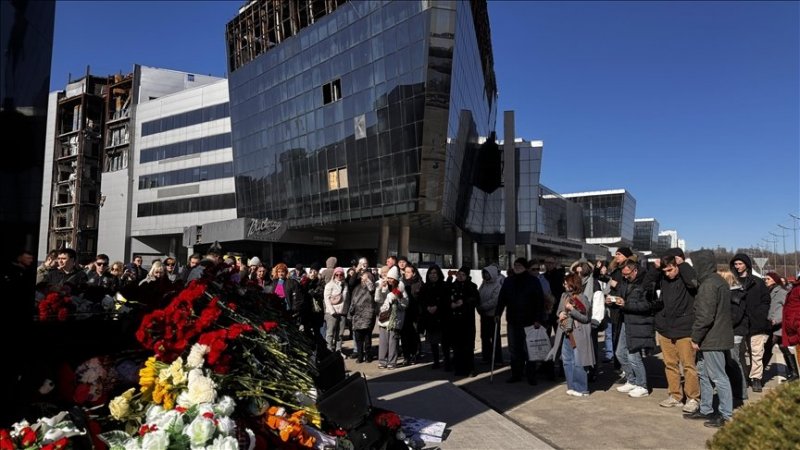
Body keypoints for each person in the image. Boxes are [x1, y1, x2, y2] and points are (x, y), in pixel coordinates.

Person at [685, 250, 734, 428]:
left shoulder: (709, 285)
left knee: (718, 377)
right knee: (704, 375)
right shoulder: (716, 281)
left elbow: (705, 316)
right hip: (711, 337)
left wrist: (695, 338)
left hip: (712, 338)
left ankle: (725, 414)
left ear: (701, 264)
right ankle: (706, 409)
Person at [652, 249, 700, 413]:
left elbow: (694, 283)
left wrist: (683, 265)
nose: (667, 274)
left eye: (670, 269)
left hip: (685, 329)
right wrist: (655, 268)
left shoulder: (686, 276)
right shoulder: (664, 279)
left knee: (688, 366)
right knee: (670, 364)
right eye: (664, 271)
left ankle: (693, 398)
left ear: (677, 264)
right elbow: (646, 284)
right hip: (666, 328)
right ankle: (675, 395)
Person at [496, 257, 546, 384]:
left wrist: (538, 319)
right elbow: (502, 299)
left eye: (520, 265)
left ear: (525, 267)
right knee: (514, 350)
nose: (517, 267)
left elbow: (539, 301)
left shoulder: (533, 281)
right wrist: (498, 313)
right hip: (513, 320)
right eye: (515, 265)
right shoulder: (508, 281)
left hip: (529, 321)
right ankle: (516, 374)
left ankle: (531, 376)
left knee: (529, 349)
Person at [611, 259, 656, 398]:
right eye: (623, 274)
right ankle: (632, 380)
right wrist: (613, 301)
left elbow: (648, 306)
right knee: (619, 353)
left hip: (639, 323)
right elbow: (622, 298)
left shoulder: (645, 283)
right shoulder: (625, 282)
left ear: (634, 270)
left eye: (627, 274)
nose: (624, 276)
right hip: (626, 321)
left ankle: (642, 385)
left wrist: (625, 305)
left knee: (633, 356)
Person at [546, 273, 594, 396]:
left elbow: (586, 318)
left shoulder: (582, 298)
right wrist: (560, 314)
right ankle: (572, 386)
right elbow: (558, 311)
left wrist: (572, 310)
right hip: (565, 332)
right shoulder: (564, 296)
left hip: (578, 334)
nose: (565, 285)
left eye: (567, 283)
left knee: (579, 362)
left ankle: (582, 389)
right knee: (567, 360)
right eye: (564, 283)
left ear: (574, 284)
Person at [729, 253, 771, 392]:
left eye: (740, 264)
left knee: (756, 352)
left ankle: (756, 378)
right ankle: (744, 376)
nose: (738, 266)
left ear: (746, 264)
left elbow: (766, 300)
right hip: (739, 323)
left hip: (756, 323)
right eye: (735, 264)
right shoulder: (733, 282)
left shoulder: (757, 282)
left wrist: (760, 314)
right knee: (739, 352)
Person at [765, 272, 797, 381]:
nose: (766, 280)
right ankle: (794, 373)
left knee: (767, 347)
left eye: (768, 279)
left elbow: (787, 309)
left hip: (779, 326)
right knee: (783, 347)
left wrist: (776, 320)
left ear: (774, 280)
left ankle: (759, 374)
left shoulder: (782, 292)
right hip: (774, 326)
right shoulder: (770, 291)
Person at [376, 266, 407, 369]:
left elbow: (405, 305)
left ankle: (392, 362)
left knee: (393, 342)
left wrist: (396, 301)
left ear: (395, 279)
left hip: (395, 319)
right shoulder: (385, 288)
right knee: (383, 342)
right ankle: (382, 361)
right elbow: (378, 300)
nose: (389, 280)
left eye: (391, 278)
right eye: (388, 277)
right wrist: (379, 289)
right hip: (384, 319)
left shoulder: (401, 290)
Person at [478, 265, 504, 366]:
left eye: (487, 273)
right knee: (484, 337)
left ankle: (497, 359)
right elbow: (479, 295)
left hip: (493, 315)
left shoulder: (497, 285)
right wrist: (479, 307)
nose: (485, 275)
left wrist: (483, 307)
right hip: (483, 315)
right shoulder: (483, 284)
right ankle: (486, 357)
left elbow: (494, 301)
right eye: (484, 273)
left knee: (495, 337)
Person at [348, 271, 376, 363]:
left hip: (367, 316)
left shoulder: (371, 288)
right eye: (362, 277)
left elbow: (371, 288)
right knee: (358, 339)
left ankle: (368, 356)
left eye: (366, 277)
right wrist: (350, 313)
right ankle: (360, 356)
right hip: (357, 316)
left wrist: (367, 280)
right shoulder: (357, 288)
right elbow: (353, 301)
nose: (363, 279)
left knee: (367, 340)